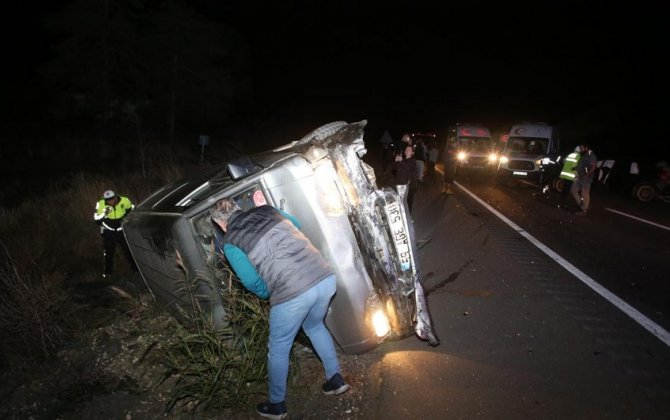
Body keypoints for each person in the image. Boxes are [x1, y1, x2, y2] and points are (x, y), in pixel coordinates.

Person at [210, 198, 350, 419]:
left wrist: (269, 294)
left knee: (278, 347)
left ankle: (277, 404)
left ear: (220, 225)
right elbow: (296, 224)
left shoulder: (231, 242)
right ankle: (335, 379)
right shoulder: (267, 210)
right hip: (323, 276)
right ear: (238, 208)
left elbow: (250, 281)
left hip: (292, 292)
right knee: (314, 326)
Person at [93, 189, 138, 277]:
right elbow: (97, 220)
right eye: (108, 200)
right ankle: (108, 273)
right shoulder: (101, 204)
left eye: (112, 199)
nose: (111, 201)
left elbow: (132, 209)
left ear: (116, 197)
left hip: (121, 229)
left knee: (128, 250)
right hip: (108, 230)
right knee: (108, 252)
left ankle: (136, 269)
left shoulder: (124, 200)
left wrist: (127, 218)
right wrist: (105, 213)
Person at [570, 144, 597, 216]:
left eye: (581, 148)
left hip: (586, 178)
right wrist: (575, 168)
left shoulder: (591, 155)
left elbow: (594, 166)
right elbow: (581, 166)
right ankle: (582, 205)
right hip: (579, 177)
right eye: (580, 148)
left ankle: (583, 210)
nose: (580, 149)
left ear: (586, 148)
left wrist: (587, 175)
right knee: (573, 190)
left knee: (584, 194)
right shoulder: (583, 155)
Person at [393, 144, 418, 211]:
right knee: (400, 204)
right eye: (406, 149)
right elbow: (395, 169)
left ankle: (408, 220)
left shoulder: (413, 161)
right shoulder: (404, 160)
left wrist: (401, 161)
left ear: (412, 153)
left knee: (407, 205)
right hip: (400, 185)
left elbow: (408, 168)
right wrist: (396, 161)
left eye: (409, 150)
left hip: (409, 187)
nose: (407, 151)